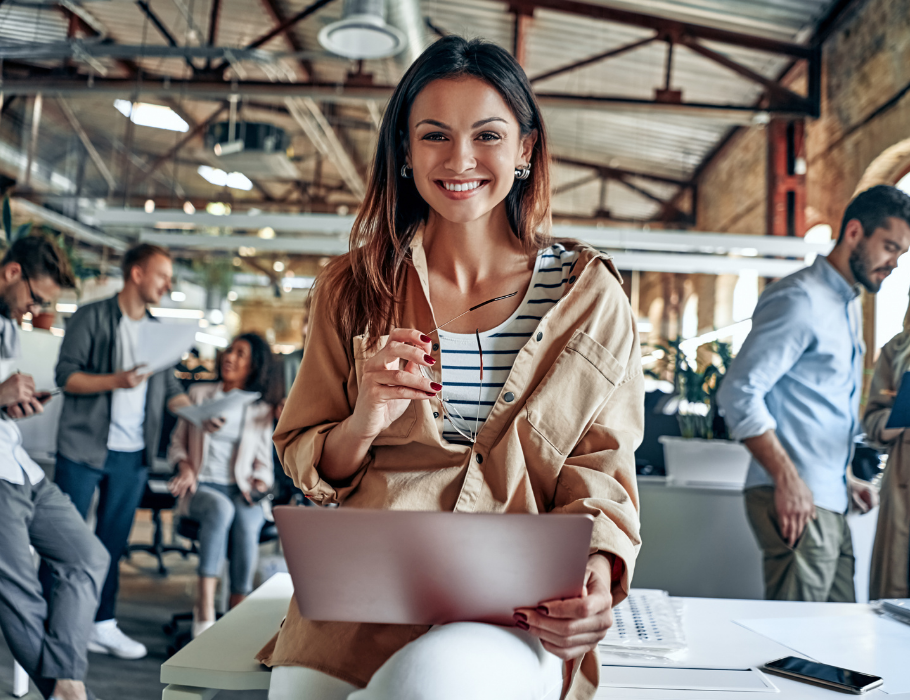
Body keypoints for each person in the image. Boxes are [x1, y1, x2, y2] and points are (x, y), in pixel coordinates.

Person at [259, 36, 644, 700]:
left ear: (525, 149)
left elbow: (604, 473)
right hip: (359, 605)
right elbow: (307, 457)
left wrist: (600, 572)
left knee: (427, 684)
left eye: (487, 135)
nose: (460, 159)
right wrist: (362, 421)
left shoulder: (590, 298)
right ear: (405, 152)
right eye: (434, 135)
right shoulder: (352, 289)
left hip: (517, 608)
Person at [718, 185, 910, 602]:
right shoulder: (800, 299)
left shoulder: (845, 304)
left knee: (836, 643)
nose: (894, 263)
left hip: (828, 497)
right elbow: (738, 392)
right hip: (797, 497)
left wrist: (842, 478)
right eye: (889, 247)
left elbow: (813, 404)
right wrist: (789, 480)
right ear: (855, 233)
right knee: (799, 652)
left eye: (901, 254)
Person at [51, 243, 191, 660]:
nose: (168, 284)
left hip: (132, 454)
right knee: (63, 537)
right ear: (137, 274)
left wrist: (202, 414)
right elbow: (66, 377)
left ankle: (101, 623)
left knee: (112, 541)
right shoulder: (91, 317)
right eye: (162, 275)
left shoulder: (158, 330)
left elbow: (169, 390)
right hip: (83, 447)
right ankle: (52, 617)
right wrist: (117, 380)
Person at [0, 236, 109, 700]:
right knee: (19, 591)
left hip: (19, 465)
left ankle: (65, 681)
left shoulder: (6, 327)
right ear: (11, 273)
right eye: (36, 299)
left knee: (89, 557)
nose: (34, 310)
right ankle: (66, 690)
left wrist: (15, 404)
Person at [167, 333, 275, 637]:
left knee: (247, 518)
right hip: (201, 487)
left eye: (241, 354)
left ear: (253, 366)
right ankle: (204, 608)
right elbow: (176, 445)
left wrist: (259, 483)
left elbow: (264, 466)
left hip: (240, 490)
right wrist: (185, 466)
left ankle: (237, 609)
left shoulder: (259, 408)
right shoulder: (199, 394)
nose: (230, 357)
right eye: (230, 351)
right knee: (220, 508)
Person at [864, 289, 910, 600]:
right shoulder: (896, 347)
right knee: (896, 584)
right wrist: (901, 415)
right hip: (903, 482)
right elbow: (871, 420)